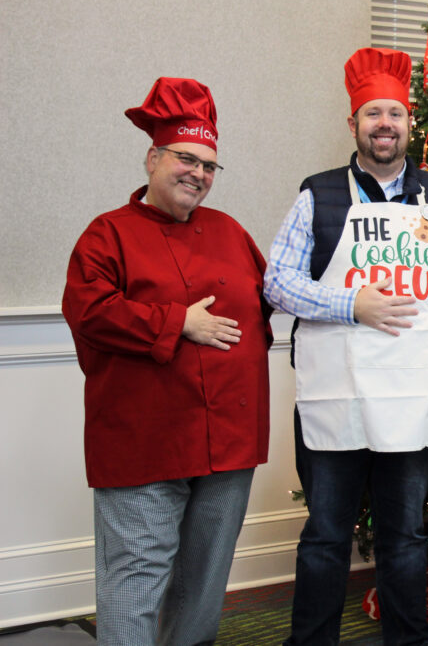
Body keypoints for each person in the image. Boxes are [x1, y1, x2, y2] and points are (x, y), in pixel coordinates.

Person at [265, 47, 428, 645]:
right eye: (372, 113)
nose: (384, 123)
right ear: (353, 125)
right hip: (340, 396)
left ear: (410, 122)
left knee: (405, 536)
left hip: (412, 396)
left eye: (394, 112)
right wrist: (350, 305)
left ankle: (407, 640)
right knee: (327, 535)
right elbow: (278, 281)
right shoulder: (319, 195)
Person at [62, 77, 273, 645]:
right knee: (135, 576)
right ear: (153, 157)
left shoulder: (230, 232)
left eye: (208, 165)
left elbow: (274, 299)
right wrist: (178, 321)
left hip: (228, 441)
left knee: (205, 582)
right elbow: (89, 313)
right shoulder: (106, 235)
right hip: (144, 441)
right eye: (186, 158)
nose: (198, 174)